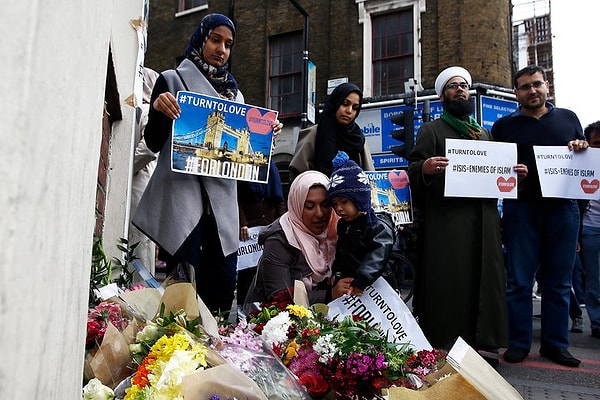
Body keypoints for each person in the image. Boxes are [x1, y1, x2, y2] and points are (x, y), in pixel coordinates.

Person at [132, 13, 282, 315]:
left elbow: (245, 162)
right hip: (183, 203)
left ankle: (218, 357)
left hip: (222, 210)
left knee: (222, 292)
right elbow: (153, 142)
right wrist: (159, 110)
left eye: (229, 44)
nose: (222, 49)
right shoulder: (172, 79)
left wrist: (267, 135)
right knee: (182, 295)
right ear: (201, 40)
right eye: (215, 39)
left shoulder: (235, 94)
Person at [407, 66, 526, 357]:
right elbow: (412, 169)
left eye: (463, 85)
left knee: (484, 279)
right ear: (443, 96)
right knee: (451, 280)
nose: (460, 89)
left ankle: (483, 340)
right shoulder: (431, 130)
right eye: (453, 86)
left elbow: (492, 174)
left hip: (484, 220)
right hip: (448, 223)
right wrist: (424, 168)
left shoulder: (483, 133)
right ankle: (446, 339)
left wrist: (513, 175)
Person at [492, 65, 586, 367]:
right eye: (524, 87)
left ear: (547, 86)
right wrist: (511, 171)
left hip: (563, 208)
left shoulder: (569, 119)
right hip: (521, 209)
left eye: (536, 85)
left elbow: (583, 157)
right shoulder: (504, 126)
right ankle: (518, 342)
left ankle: (555, 344)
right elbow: (497, 169)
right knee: (519, 281)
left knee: (558, 282)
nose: (532, 91)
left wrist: (581, 146)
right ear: (516, 93)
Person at [244, 170, 353, 307]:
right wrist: (330, 295)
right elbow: (280, 298)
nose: (319, 214)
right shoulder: (279, 240)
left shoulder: (336, 230)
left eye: (325, 205)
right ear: (297, 205)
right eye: (309, 207)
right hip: (278, 320)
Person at [327, 151, 395, 295]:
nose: (339, 208)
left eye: (344, 202)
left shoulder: (377, 225)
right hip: (352, 287)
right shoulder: (343, 225)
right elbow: (341, 253)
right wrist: (337, 274)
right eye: (334, 203)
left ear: (359, 199)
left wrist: (362, 280)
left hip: (377, 289)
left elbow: (378, 256)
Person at [289, 82, 374, 180]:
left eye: (355, 108)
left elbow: (369, 176)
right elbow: (298, 174)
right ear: (335, 103)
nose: (349, 111)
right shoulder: (314, 133)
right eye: (345, 104)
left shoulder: (358, 138)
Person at [236, 159, 287, 307]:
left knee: (268, 270)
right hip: (249, 229)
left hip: (268, 225)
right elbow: (236, 197)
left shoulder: (271, 167)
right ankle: (244, 313)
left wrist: (281, 221)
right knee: (247, 275)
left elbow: (278, 197)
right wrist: (242, 222)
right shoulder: (241, 166)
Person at [129, 67, 159, 276]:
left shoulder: (148, 111)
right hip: (139, 183)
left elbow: (149, 148)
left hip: (140, 182)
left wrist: (125, 168)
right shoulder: (139, 109)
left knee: (140, 243)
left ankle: (140, 292)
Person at [579, 120, 600, 339]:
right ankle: (598, 323)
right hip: (591, 228)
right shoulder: (582, 163)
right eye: (597, 143)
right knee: (594, 278)